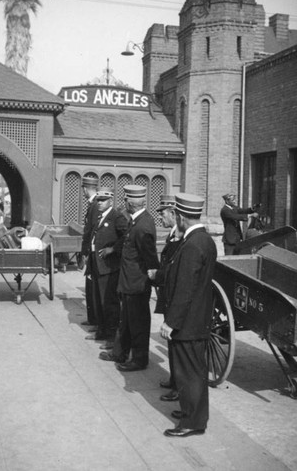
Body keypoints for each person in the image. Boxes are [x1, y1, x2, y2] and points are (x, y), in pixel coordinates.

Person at [161, 193, 217, 438]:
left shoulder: (192, 244)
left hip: (188, 322)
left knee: (190, 373)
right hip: (196, 319)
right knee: (192, 370)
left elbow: (185, 288)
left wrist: (170, 322)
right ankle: (190, 412)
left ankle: (193, 422)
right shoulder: (204, 240)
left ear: (181, 217)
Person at [100, 184, 160, 371]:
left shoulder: (143, 225)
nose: (123, 202)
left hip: (137, 283)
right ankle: (120, 352)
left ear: (130, 203)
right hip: (129, 281)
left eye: (125, 200)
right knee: (126, 320)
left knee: (138, 322)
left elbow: (150, 258)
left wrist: (152, 279)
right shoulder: (136, 220)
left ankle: (140, 359)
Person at [147, 194, 182, 401]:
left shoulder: (180, 237)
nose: (161, 218)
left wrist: (157, 275)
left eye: (164, 214)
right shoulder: (173, 233)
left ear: (174, 214)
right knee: (171, 343)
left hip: (174, 295)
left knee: (176, 343)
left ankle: (178, 387)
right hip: (168, 293)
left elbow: (173, 269)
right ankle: (174, 379)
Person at [85, 188, 128, 348]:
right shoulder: (100, 217)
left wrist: (113, 249)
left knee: (109, 303)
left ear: (110, 201)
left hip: (109, 267)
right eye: (98, 200)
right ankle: (101, 331)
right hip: (97, 264)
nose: (99, 203)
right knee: (98, 300)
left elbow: (126, 236)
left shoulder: (117, 217)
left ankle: (111, 338)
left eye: (102, 200)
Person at [80, 175, 99, 327]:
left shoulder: (94, 205)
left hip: (92, 251)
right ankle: (92, 318)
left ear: (86, 189)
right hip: (91, 250)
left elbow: (90, 230)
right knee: (90, 285)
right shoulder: (93, 204)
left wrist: (85, 252)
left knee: (92, 286)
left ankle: (94, 319)